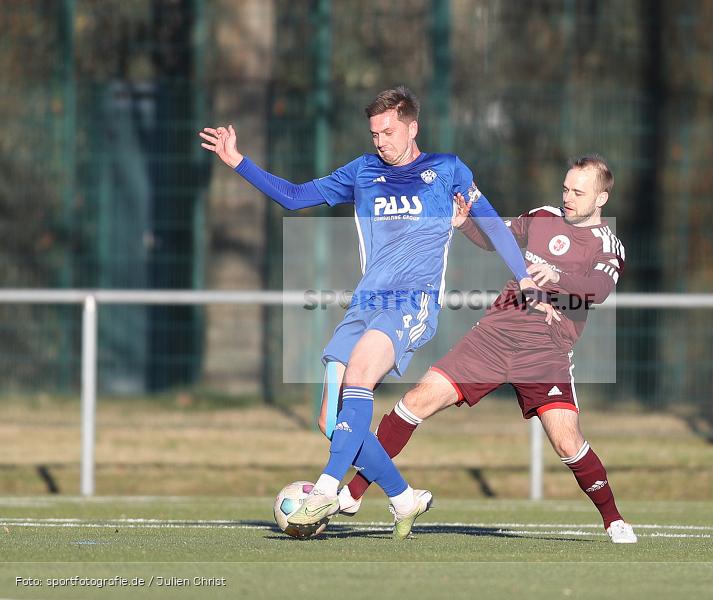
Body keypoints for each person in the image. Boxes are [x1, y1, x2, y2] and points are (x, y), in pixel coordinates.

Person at [199, 86, 549, 540]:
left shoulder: (447, 170)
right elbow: (294, 197)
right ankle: (404, 497)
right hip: (365, 303)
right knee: (330, 421)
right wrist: (238, 163)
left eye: (388, 131)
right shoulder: (362, 172)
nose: (380, 140)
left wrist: (522, 275)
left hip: (411, 302)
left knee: (360, 378)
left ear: (412, 127)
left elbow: (491, 222)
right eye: (374, 133)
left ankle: (327, 488)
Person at [337, 154, 638, 544]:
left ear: (601, 199)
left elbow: (597, 291)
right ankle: (352, 494)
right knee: (415, 401)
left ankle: (614, 519)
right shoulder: (542, 217)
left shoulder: (607, 243)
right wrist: (465, 226)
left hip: (544, 350)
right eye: (565, 188)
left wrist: (557, 278)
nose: (568, 197)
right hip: (493, 337)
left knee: (567, 441)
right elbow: (496, 239)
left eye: (578, 192)